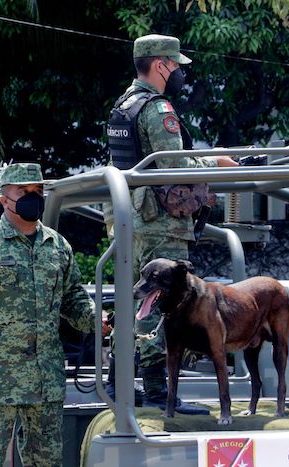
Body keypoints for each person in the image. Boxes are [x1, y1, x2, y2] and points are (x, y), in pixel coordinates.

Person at [0, 163, 107, 466]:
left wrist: (97, 319)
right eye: (23, 191)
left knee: (46, 462)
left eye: (37, 191)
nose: (33, 197)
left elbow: (72, 299)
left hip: (44, 381)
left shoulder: (57, 246)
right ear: (4, 199)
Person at [104, 34, 238, 414]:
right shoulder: (157, 108)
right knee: (164, 303)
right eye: (176, 64)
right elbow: (173, 165)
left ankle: (117, 382)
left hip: (132, 219)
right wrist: (216, 162)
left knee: (134, 301)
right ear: (161, 64)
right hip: (160, 222)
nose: (179, 72)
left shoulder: (123, 106)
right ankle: (159, 391)